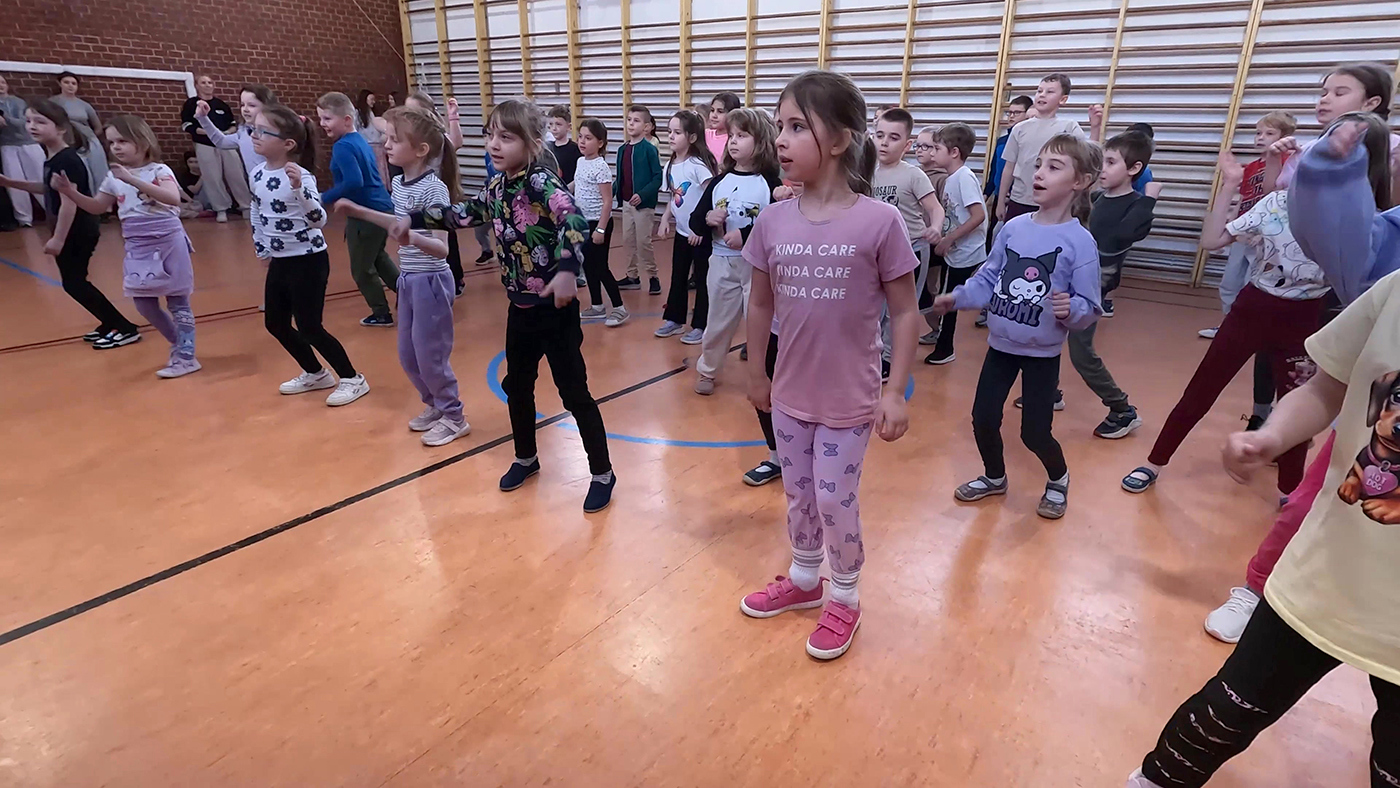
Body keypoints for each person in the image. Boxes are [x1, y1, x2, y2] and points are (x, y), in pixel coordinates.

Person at [1124, 266, 1400, 788]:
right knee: (1221, 716)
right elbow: (1325, 389)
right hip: (1323, 577)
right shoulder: (1394, 292)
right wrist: (1271, 436)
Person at [738, 70, 919, 661]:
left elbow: (906, 312)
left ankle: (844, 593)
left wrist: (894, 391)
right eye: (780, 126)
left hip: (849, 399)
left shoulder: (880, 221)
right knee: (798, 494)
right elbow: (759, 302)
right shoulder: (773, 220)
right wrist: (757, 371)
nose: (781, 139)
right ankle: (805, 577)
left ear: (839, 140)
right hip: (790, 394)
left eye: (797, 127)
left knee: (834, 497)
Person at [1198, 113, 1399, 644]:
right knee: (1307, 503)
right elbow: (1326, 387)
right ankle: (1256, 589)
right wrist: (1268, 437)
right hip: (1363, 437)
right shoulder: (1387, 264)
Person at [1119, 122, 1360, 497]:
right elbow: (1211, 240)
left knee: (1295, 408)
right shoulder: (1275, 204)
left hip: (1303, 320)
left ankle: (1289, 491)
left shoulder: (1351, 215)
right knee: (1201, 391)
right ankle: (1154, 462)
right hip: (1253, 310)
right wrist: (1230, 184)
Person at [401, 99, 615, 513]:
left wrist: (567, 270)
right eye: (490, 135)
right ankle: (526, 457)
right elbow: (463, 214)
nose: (494, 144)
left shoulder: (542, 182)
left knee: (574, 393)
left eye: (506, 137)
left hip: (554, 310)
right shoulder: (497, 187)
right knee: (517, 387)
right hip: (520, 309)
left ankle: (603, 472)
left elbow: (573, 219)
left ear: (532, 142)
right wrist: (413, 219)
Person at [933, 133, 1103, 520]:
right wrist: (958, 298)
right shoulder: (1013, 227)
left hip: (1042, 355)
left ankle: (1058, 478)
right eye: (1039, 164)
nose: (1038, 173)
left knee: (1034, 433)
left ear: (1079, 182)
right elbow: (988, 277)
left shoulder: (1080, 242)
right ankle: (995, 477)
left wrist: (1071, 309)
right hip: (1001, 347)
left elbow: (1090, 306)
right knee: (983, 419)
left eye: (1053, 167)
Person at [337, 106, 471, 447]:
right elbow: (397, 223)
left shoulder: (434, 190)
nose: (387, 145)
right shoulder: (398, 183)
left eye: (395, 140)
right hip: (408, 279)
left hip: (431, 281)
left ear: (421, 149)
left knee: (430, 356)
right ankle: (435, 405)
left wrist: (411, 237)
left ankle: (454, 416)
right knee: (408, 355)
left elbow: (441, 249)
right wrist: (359, 211)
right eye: (387, 138)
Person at [52, 114, 199, 377]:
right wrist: (70, 192)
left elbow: (172, 198)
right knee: (143, 303)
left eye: (122, 141)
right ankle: (179, 344)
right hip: (137, 245)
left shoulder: (159, 170)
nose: (116, 147)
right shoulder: (113, 176)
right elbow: (97, 206)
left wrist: (131, 179)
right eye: (111, 143)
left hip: (167, 241)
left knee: (178, 302)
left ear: (142, 141)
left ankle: (186, 357)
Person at [250, 105, 369, 407]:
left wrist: (299, 189)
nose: (254, 135)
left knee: (309, 326)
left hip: (308, 259)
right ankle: (315, 373)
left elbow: (318, 220)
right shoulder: (257, 173)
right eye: (254, 128)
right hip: (281, 260)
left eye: (263, 131)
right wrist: (261, 245)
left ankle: (352, 377)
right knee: (275, 323)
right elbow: (256, 209)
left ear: (288, 144)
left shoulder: (302, 176)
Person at [0, 98, 139, 347]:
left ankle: (124, 327)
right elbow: (48, 188)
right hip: (73, 228)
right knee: (75, 282)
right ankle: (109, 322)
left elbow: (68, 203)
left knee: (74, 283)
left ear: (61, 128)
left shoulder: (66, 160)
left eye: (40, 122)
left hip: (78, 229)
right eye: (29, 121)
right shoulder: (53, 157)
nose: (32, 126)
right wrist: (11, 183)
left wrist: (58, 239)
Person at [1067, 131, 1159, 438]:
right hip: (1071, 282)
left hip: (1092, 290)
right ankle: (1049, 392)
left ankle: (1122, 409)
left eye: (1110, 162)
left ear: (1134, 168)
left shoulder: (1136, 205)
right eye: (1102, 162)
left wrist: (1150, 197)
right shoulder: (1097, 199)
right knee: (1047, 338)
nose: (1102, 169)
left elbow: (1123, 236)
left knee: (1081, 354)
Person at [690, 107, 782, 396]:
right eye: (731, 135)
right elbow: (695, 220)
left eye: (742, 136)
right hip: (721, 262)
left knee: (761, 322)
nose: (733, 141)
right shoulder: (721, 181)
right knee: (718, 321)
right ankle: (708, 369)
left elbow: (778, 225)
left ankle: (764, 372)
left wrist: (746, 235)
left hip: (757, 268)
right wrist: (708, 219)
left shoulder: (770, 183)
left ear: (761, 141)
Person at [1198, 111, 1297, 345]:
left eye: (1269, 133)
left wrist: (1265, 233)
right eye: (1258, 133)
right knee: (1230, 281)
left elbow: (1279, 201)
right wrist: (1228, 228)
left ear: (1284, 137)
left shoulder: (1288, 164)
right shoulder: (1251, 167)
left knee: (1251, 284)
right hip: (1243, 233)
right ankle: (1229, 324)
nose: (1261, 138)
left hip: (1266, 238)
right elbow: (1243, 200)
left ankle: (1251, 330)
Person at [871, 107, 943, 382]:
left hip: (911, 249)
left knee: (898, 309)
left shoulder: (913, 175)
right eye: (880, 135)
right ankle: (876, 353)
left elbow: (935, 208)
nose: (884, 143)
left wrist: (935, 227)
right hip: (876, 253)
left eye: (893, 138)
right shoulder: (868, 173)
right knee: (876, 307)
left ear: (907, 144)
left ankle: (890, 359)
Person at [317, 91, 400, 327]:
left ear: (346, 119)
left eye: (327, 118)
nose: (322, 124)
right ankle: (409, 294)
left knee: (362, 269)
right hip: (382, 207)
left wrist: (324, 197)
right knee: (378, 257)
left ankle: (381, 313)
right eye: (320, 118)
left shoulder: (343, 146)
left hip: (366, 213)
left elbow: (354, 181)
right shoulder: (358, 140)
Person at [1265, 62, 1399, 206]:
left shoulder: (1393, 147)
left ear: (1370, 103)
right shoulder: (1308, 150)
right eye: (1324, 93)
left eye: (1339, 93)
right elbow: (1273, 201)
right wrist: (1273, 158)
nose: (1324, 99)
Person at [996, 75, 1101, 223]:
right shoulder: (1019, 128)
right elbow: (1008, 168)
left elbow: (1089, 156)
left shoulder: (1068, 127)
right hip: (1020, 199)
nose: (1042, 95)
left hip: (1055, 202)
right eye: (1039, 91)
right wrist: (1000, 201)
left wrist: (1095, 127)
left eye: (1050, 92)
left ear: (1063, 99)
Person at [925, 122, 988, 366]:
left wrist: (950, 238)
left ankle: (945, 347)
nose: (932, 153)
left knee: (949, 300)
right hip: (955, 251)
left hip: (966, 253)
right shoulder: (952, 178)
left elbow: (978, 215)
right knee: (945, 295)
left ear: (954, 152)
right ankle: (940, 339)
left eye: (937, 148)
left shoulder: (964, 177)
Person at [655, 109, 718, 344]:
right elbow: (674, 197)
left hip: (700, 235)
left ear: (692, 137)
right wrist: (665, 218)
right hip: (682, 233)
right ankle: (674, 318)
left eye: (677, 132)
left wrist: (700, 228)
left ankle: (701, 324)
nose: (671, 136)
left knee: (702, 280)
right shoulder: (670, 165)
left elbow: (712, 195)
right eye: (669, 132)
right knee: (678, 275)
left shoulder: (697, 165)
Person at [573, 118, 628, 327]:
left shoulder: (601, 166)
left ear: (600, 142)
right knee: (588, 265)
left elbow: (607, 201)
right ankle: (597, 305)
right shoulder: (580, 161)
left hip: (598, 222)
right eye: (580, 137)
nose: (582, 141)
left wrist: (601, 229)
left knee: (600, 267)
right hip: (583, 222)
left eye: (588, 138)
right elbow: (578, 183)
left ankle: (620, 308)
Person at [179, 75, 251, 223]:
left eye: (210, 82)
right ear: (197, 86)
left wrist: (226, 133)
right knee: (212, 177)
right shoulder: (191, 104)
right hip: (205, 144)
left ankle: (246, 206)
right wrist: (210, 132)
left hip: (227, 143)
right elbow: (188, 126)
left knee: (236, 174)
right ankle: (221, 209)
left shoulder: (221, 105)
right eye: (203, 82)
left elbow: (232, 124)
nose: (207, 85)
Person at [614, 104, 663, 294]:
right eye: (629, 120)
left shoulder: (649, 150)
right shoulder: (622, 150)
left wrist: (642, 195)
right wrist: (610, 194)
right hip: (626, 204)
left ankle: (653, 276)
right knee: (628, 240)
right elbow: (620, 178)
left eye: (636, 121)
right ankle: (632, 276)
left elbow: (657, 177)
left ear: (646, 126)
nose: (631, 124)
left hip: (644, 206)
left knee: (643, 242)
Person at [194, 83, 276, 184]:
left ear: (267, 106)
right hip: (256, 185)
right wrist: (203, 118)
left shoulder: (276, 131)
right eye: (242, 105)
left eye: (252, 105)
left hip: (277, 183)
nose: (245, 109)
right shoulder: (244, 131)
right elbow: (221, 141)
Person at [49, 72, 109, 200]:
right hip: (69, 142)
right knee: (80, 172)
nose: (70, 86)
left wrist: (89, 138)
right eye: (66, 82)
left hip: (89, 140)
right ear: (59, 84)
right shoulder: (53, 102)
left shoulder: (84, 105)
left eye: (73, 83)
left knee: (98, 171)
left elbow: (98, 126)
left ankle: (102, 201)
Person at [985, 95, 1033, 252]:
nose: (1011, 116)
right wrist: (986, 194)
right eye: (1009, 112)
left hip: (1016, 198)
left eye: (1016, 113)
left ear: (1027, 114)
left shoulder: (1029, 143)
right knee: (992, 238)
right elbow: (995, 171)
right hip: (999, 196)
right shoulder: (1001, 141)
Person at [0, 75, 46, 228]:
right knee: (13, 181)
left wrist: (5, 118)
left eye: (3, 82)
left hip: (28, 143)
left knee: (39, 176)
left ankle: (52, 209)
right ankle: (24, 218)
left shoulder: (18, 102)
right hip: (7, 145)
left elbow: (23, 123)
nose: (1, 85)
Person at [355, 89, 390, 187]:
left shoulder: (373, 113)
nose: (373, 102)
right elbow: (355, 129)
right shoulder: (358, 114)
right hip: (367, 145)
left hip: (378, 145)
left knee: (381, 170)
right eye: (371, 99)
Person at [546, 105, 581, 185]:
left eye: (558, 124)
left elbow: (579, 175)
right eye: (551, 124)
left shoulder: (575, 149)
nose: (554, 128)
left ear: (569, 127)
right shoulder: (548, 149)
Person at [706, 92, 741, 160]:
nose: (714, 115)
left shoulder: (734, 139)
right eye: (712, 110)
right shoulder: (704, 134)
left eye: (720, 111)